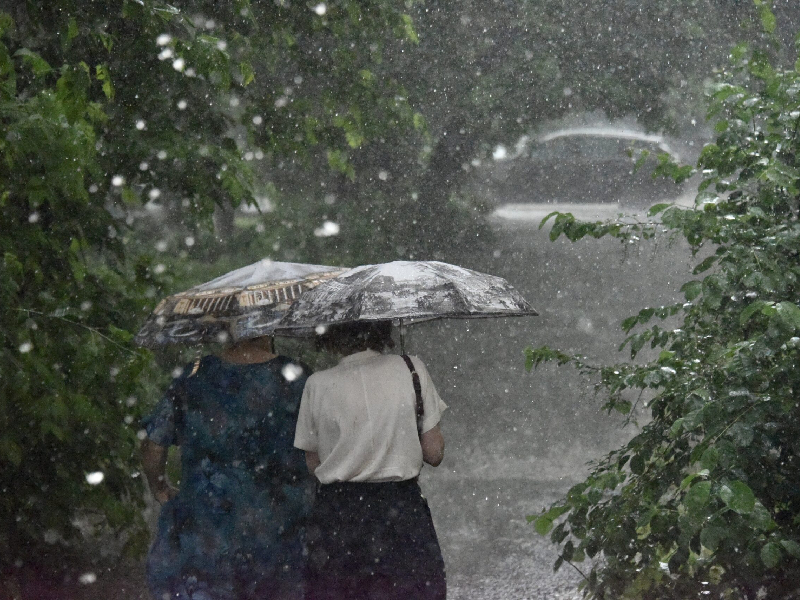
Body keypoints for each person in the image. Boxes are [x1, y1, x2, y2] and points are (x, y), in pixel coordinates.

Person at [141, 335, 314, 600]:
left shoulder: (194, 375)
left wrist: (159, 485)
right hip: (280, 531)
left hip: (208, 533)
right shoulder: (299, 377)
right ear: (270, 327)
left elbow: (154, 442)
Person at [294, 321, 447, 600]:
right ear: (383, 329)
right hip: (402, 513)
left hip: (338, 517)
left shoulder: (317, 384)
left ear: (332, 335)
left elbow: (313, 464)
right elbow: (434, 453)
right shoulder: (412, 369)